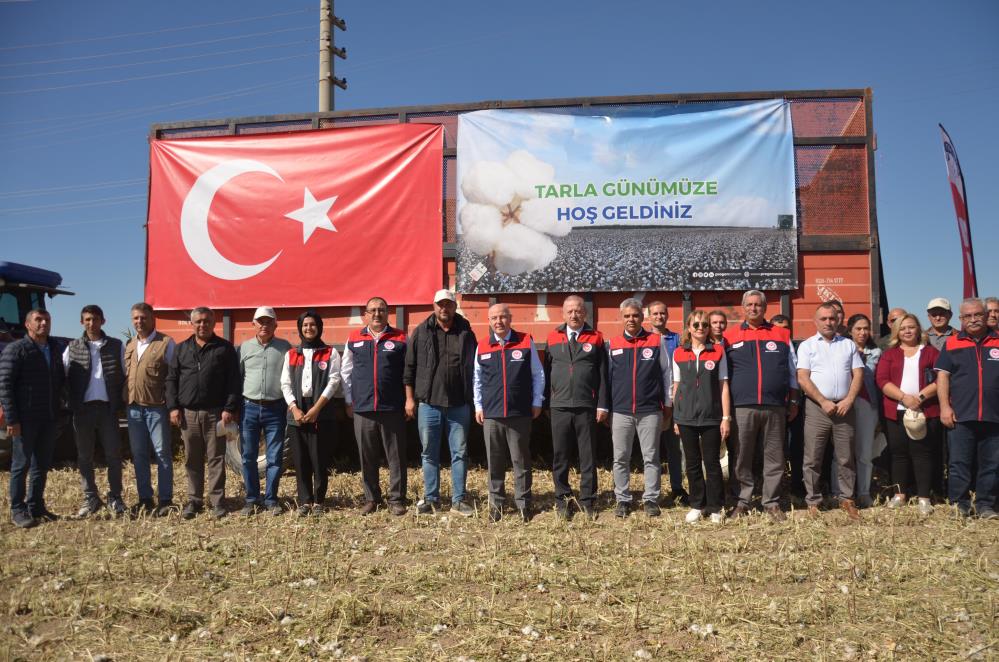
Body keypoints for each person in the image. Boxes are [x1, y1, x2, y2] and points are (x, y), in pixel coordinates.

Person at [724, 290, 799, 521]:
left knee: (774, 456)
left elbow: (793, 371)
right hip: (742, 406)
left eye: (758, 305)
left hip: (775, 405)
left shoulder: (781, 334)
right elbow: (723, 376)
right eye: (750, 305)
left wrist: (794, 400)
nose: (754, 308)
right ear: (743, 307)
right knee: (742, 456)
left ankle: (771, 502)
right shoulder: (729, 336)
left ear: (765, 308)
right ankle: (743, 501)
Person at [404, 289, 477, 516]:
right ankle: (431, 499)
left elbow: (477, 368)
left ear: (455, 307)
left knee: (459, 453)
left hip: (459, 404)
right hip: (429, 404)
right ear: (433, 306)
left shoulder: (466, 332)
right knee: (429, 453)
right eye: (440, 305)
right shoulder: (421, 332)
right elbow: (409, 368)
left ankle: (459, 500)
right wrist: (409, 399)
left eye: (448, 304)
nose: (444, 309)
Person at [166, 307, 240, 520]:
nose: (202, 325)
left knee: (216, 458)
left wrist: (229, 408)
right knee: (192, 459)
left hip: (215, 414)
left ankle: (218, 502)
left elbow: (233, 381)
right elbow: (171, 380)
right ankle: (195, 501)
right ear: (192, 323)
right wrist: (173, 407)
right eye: (198, 321)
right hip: (188, 414)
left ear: (213, 322)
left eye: (206, 321)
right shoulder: (181, 350)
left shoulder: (224, 349)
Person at [474, 303, 544, 522]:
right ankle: (497, 504)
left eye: (503, 317)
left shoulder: (525, 341)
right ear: (489, 321)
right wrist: (478, 406)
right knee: (494, 462)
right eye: (494, 318)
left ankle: (523, 503)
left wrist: (537, 401)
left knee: (520, 461)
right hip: (492, 414)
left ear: (510, 318)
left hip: (519, 412)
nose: (498, 321)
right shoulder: (482, 345)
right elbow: (476, 379)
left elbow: (538, 374)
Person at [341, 297, 408, 516]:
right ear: (365, 314)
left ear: (387, 313)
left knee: (396, 456)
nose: (377, 314)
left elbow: (408, 372)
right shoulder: (354, 338)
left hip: (392, 408)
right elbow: (346, 372)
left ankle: (397, 499)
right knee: (367, 456)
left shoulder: (400, 337)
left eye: (381, 310)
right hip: (364, 408)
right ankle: (371, 498)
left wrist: (408, 400)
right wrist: (349, 401)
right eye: (373, 310)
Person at [797, 302, 864, 520]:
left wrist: (849, 400)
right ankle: (813, 501)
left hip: (845, 408)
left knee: (846, 457)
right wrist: (823, 401)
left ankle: (846, 498)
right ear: (815, 321)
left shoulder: (848, 345)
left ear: (838, 320)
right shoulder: (807, 346)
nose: (828, 322)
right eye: (824, 319)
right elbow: (803, 378)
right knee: (813, 457)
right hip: (818, 408)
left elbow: (858, 374)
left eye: (832, 318)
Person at [544, 295, 608, 520]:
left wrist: (602, 404)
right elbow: (546, 372)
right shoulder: (553, 337)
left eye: (578, 311)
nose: (574, 315)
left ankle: (588, 500)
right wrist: (546, 403)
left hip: (586, 406)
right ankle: (562, 498)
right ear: (563, 314)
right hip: (559, 406)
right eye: (570, 311)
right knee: (560, 455)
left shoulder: (597, 338)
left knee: (587, 455)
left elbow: (603, 376)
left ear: (585, 313)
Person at [0, 309, 65, 528]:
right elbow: (5, 386)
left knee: (42, 465)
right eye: (38, 320)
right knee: (21, 464)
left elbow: (59, 382)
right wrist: (12, 419)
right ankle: (18, 509)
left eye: (47, 319)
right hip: (25, 419)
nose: (43, 323)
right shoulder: (16, 349)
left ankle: (36, 505)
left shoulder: (55, 349)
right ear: (28, 324)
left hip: (48, 417)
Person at [608, 298, 672, 518]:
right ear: (621, 318)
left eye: (635, 315)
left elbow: (667, 374)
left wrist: (668, 405)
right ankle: (623, 499)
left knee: (651, 457)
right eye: (626, 316)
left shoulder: (656, 341)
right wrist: (608, 408)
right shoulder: (613, 344)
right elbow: (608, 379)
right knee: (620, 457)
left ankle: (651, 499)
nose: (631, 319)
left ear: (642, 317)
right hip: (621, 411)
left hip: (650, 410)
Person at [935, 298, 999, 519]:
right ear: (961, 319)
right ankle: (959, 505)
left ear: (986, 315)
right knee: (958, 464)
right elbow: (942, 376)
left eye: (977, 315)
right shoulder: (952, 343)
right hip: (961, 415)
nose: (973, 319)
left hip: (994, 415)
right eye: (967, 316)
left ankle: (985, 506)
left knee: (991, 464)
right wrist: (945, 407)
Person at [62, 304, 126, 517]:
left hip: (108, 410)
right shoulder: (72, 347)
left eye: (95, 319)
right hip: (83, 411)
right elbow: (61, 378)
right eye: (87, 319)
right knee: (84, 457)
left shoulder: (117, 346)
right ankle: (90, 498)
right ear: (82, 322)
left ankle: (115, 497)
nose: (92, 323)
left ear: (103, 321)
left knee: (114, 456)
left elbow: (126, 376)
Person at [875, 314, 940, 515]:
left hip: (925, 410)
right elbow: (882, 380)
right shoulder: (890, 354)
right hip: (896, 411)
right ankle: (899, 495)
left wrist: (919, 398)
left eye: (911, 327)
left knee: (922, 454)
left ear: (919, 329)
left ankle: (923, 498)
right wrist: (904, 397)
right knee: (899, 454)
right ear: (897, 332)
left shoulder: (931, 352)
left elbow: (941, 379)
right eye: (903, 328)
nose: (907, 331)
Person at [672, 310, 731, 524]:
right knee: (692, 463)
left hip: (711, 417)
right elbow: (676, 386)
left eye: (704, 325)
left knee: (712, 463)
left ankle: (715, 507)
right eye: (696, 325)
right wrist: (676, 417)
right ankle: (697, 504)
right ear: (689, 327)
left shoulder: (717, 352)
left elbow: (723, 385)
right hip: (686, 417)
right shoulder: (678, 352)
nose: (700, 328)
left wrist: (726, 417)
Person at [281, 311, 341, 516]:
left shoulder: (330, 353)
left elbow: (334, 382)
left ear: (319, 327)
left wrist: (316, 409)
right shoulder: (291, 354)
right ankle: (305, 501)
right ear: (300, 328)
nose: (309, 328)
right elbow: (285, 384)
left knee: (318, 458)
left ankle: (319, 502)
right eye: (305, 325)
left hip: (320, 411)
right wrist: (294, 408)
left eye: (313, 325)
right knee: (300, 459)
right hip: (296, 410)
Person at [238, 306, 292, 516]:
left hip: (275, 408)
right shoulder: (244, 348)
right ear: (253, 324)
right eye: (260, 321)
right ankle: (251, 500)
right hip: (249, 407)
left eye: (268, 321)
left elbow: (290, 378)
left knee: (275, 458)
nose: (264, 325)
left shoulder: (285, 347)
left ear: (275, 325)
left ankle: (271, 499)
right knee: (248, 457)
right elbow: (238, 378)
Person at [124, 302, 176, 517]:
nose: (139, 321)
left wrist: (172, 406)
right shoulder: (129, 345)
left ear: (152, 318)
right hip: (133, 408)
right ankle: (144, 498)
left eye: (143, 317)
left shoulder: (166, 343)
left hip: (157, 408)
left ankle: (165, 500)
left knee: (162, 453)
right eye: (136, 318)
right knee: (139, 454)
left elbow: (173, 377)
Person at [647, 300, 687, 506]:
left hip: (675, 400)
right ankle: (652, 494)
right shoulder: (643, 339)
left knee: (675, 447)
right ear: (649, 316)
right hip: (651, 401)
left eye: (662, 313)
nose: (659, 317)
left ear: (667, 316)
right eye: (655, 314)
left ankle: (677, 488)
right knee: (651, 450)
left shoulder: (677, 339)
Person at [845, 313, 882, 508]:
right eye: (858, 328)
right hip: (845, 404)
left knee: (865, 452)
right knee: (842, 453)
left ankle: (864, 492)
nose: (862, 332)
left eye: (866, 328)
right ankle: (842, 493)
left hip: (868, 406)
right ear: (850, 330)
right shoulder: (841, 349)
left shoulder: (876, 353)